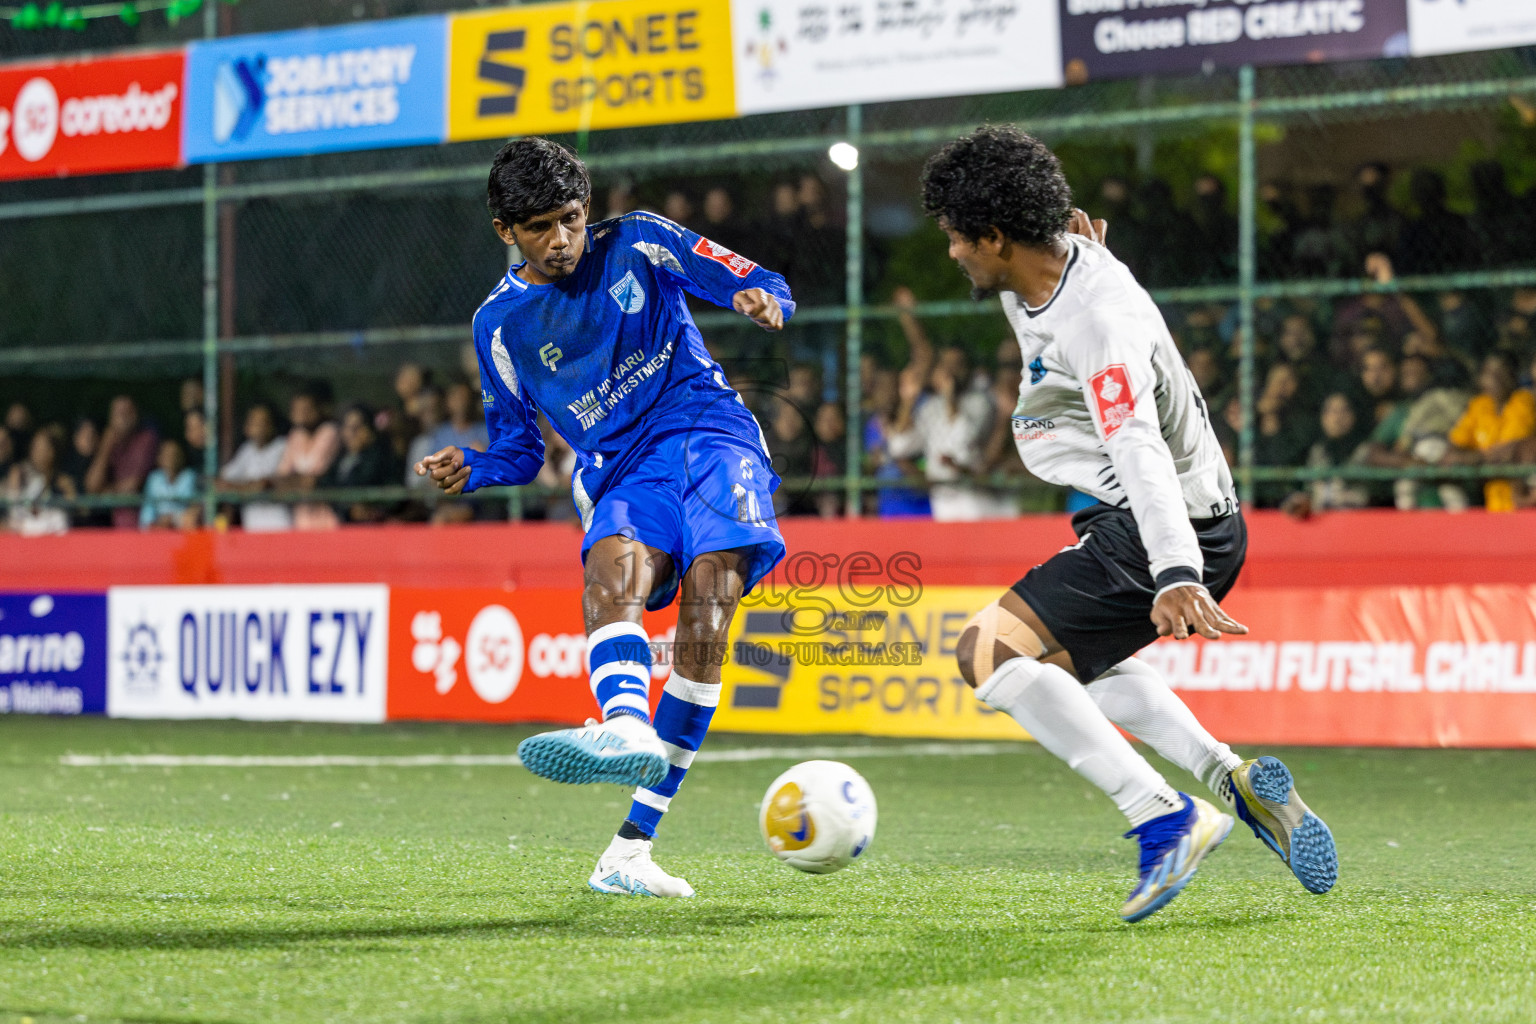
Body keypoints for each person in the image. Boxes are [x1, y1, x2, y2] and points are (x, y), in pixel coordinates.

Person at [920, 125, 1336, 923]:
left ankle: (1164, 816)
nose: (952, 254)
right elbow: (1060, 261)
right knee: (1069, 672)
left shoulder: (1098, 328)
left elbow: (1137, 444)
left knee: (984, 652)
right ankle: (1229, 779)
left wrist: (1176, 571)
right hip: (1177, 518)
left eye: (956, 238)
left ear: (998, 238)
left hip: (1159, 526)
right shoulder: (1054, 267)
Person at [416, 137, 794, 898]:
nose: (562, 241)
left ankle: (631, 848)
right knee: (612, 567)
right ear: (504, 231)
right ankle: (624, 723)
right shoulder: (499, 325)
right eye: (541, 228)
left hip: (711, 434)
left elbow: (758, 277)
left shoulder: (643, 241)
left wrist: (764, 300)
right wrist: (476, 467)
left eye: (572, 219)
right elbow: (520, 449)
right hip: (620, 469)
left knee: (708, 609)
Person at [1439, 352, 1536, 512]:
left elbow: (1511, 451)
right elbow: (1454, 446)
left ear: (1513, 376)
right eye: (1488, 373)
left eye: (1500, 373)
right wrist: (1465, 457)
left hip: (1521, 501)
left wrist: (1473, 458)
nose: (1493, 379)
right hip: (1492, 504)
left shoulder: (1523, 400)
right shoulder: (1480, 404)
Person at [84, 395, 159, 530]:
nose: (122, 418)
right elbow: (92, 487)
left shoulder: (146, 439)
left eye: (127, 413)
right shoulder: (108, 441)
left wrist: (103, 495)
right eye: (118, 413)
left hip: (141, 521)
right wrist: (106, 446)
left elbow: (132, 487)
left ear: (135, 415)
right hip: (111, 524)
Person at [273, 383, 341, 531]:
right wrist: (294, 481)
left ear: (318, 408)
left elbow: (313, 478)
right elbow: (280, 478)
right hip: (301, 521)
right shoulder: (295, 436)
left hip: (328, 520)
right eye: (297, 409)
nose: (301, 414)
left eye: (306, 409)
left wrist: (294, 481)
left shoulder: (330, 431)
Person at [220, 403, 290, 531]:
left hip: (280, 525)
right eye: (254, 422)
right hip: (252, 526)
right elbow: (222, 482)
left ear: (272, 425)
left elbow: (263, 485)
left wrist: (240, 488)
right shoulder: (246, 450)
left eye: (263, 422)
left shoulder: (283, 446)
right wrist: (247, 487)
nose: (258, 426)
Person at [5, 427, 76, 536]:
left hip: (53, 534)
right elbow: (13, 512)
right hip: (23, 531)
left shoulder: (61, 480)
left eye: (41, 447)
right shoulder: (20, 473)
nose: (36, 451)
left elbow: (75, 512)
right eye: (35, 446)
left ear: (52, 451)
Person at [139, 438, 199, 530]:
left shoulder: (190, 477)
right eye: (167, 455)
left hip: (183, 530)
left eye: (174, 454)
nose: (171, 459)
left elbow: (194, 508)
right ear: (159, 458)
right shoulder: (154, 479)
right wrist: (156, 524)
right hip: (159, 530)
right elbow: (147, 515)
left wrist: (172, 519)